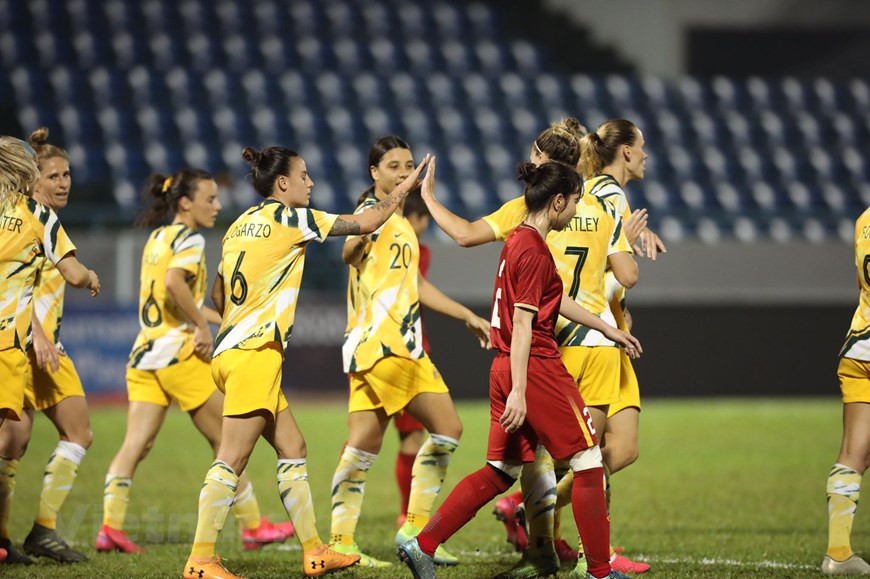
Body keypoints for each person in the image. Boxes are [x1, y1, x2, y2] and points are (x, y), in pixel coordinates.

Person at [182, 146, 431, 579]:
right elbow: (369, 221)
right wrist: (404, 189)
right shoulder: (292, 219)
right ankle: (200, 561)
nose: (311, 183)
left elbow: (219, 295)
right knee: (231, 459)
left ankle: (316, 551)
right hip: (254, 356)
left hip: (230, 352)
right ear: (283, 184)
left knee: (293, 447)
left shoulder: (239, 224)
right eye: (304, 176)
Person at [399, 161, 640, 579]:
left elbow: (553, 299)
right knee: (587, 461)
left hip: (507, 366)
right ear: (558, 201)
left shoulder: (522, 240)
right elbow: (527, 322)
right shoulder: (532, 249)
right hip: (537, 368)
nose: (578, 209)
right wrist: (521, 392)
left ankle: (422, 545)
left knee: (499, 471)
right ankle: (601, 571)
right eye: (575, 201)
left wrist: (606, 327)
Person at [98, 168, 293, 555]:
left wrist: (220, 320)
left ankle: (110, 527)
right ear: (186, 203)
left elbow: (172, 292)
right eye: (210, 199)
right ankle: (253, 525)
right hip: (180, 354)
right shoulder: (189, 239)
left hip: (145, 353)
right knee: (227, 439)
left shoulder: (158, 237)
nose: (218, 206)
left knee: (137, 443)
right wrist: (200, 326)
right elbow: (174, 284)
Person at [330, 137, 490, 568]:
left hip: (371, 351)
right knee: (448, 427)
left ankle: (341, 543)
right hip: (390, 347)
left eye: (408, 166)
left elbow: (415, 287)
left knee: (362, 444)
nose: (403, 173)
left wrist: (465, 315)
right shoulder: (373, 211)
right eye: (394, 167)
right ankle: (416, 529)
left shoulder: (401, 223)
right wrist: (368, 224)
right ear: (374, 174)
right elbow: (348, 250)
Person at [0, 136, 99, 564]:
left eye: (67, 174)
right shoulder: (36, 220)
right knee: (12, 437)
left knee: (68, 432)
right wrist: (37, 334)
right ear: (31, 178)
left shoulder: (37, 220)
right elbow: (26, 289)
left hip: (38, 345)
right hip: (24, 344)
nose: (63, 183)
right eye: (52, 175)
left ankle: (40, 530)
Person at [822, 205, 870, 575]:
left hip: (859, 350)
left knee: (853, 453)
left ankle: (838, 552)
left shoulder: (864, 221)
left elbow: (860, 281)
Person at [392, 188, 431, 529]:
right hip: (408, 350)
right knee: (423, 436)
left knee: (364, 438)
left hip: (376, 346)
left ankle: (341, 532)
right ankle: (410, 515)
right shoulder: (417, 250)